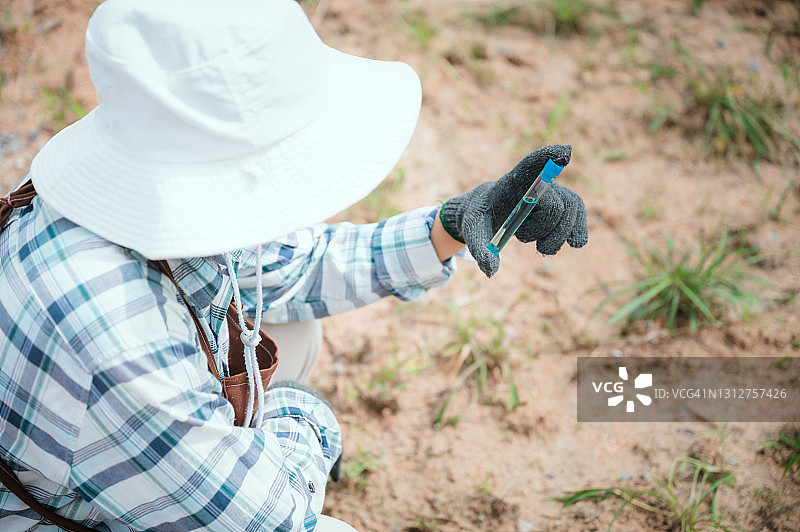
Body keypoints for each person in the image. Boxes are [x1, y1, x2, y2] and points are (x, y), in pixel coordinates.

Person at [0, 0, 588, 530]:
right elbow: (272, 517)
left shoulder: (126, 187)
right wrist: (305, 418)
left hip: (95, 442)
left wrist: (453, 224)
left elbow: (296, 265)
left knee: (294, 333)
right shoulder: (116, 334)